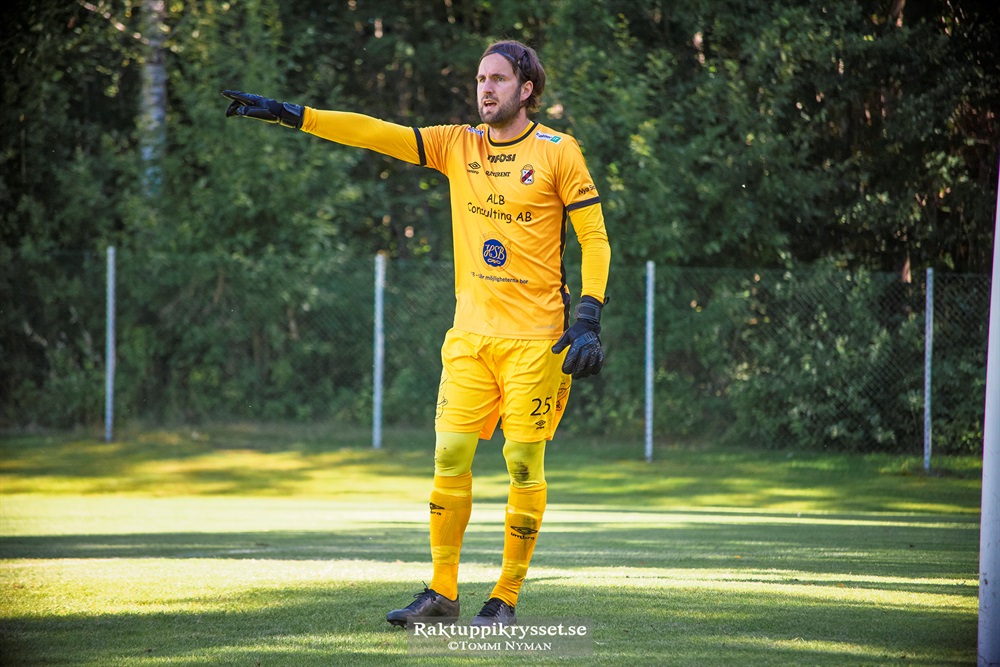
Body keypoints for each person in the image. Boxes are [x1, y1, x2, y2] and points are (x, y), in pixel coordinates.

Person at [223, 39, 610, 628]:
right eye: (480, 78)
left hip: (538, 341)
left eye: (498, 79)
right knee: (449, 456)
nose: (485, 89)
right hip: (470, 337)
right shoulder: (458, 144)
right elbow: (378, 133)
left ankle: (504, 597)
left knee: (522, 463)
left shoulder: (559, 152)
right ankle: (442, 593)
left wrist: (588, 316)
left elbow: (595, 239)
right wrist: (293, 115)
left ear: (526, 89)